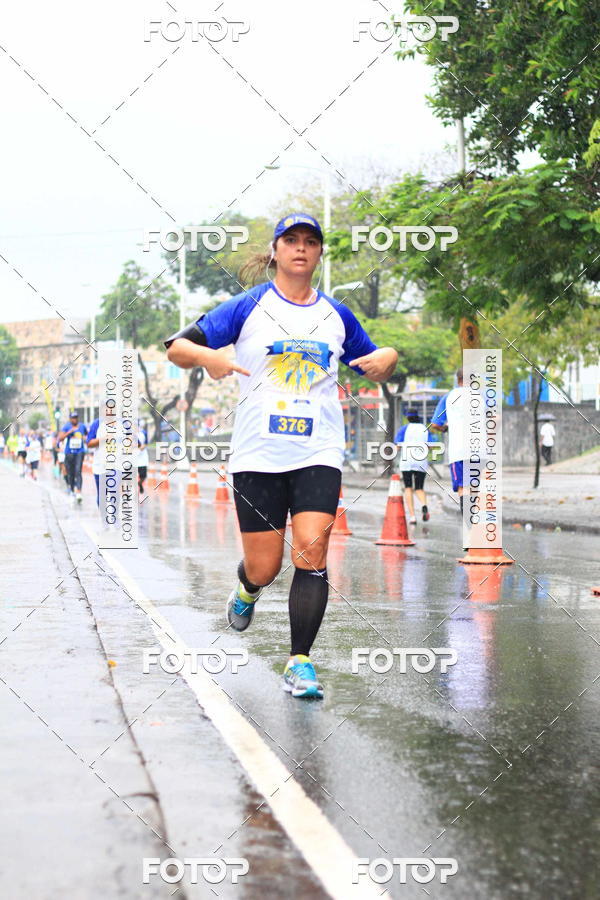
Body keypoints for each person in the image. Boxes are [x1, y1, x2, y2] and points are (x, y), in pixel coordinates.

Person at [165, 212, 398, 699]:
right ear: (274, 250)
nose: (300, 248)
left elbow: (372, 362)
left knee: (312, 552)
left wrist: (389, 357)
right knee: (266, 567)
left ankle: (299, 662)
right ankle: (247, 589)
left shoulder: (336, 315)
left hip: (318, 449)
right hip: (257, 455)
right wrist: (211, 357)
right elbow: (177, 347)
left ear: (318, 254)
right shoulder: (247, 306)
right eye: (290, 240)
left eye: (310, 241)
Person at [429, 369, 467, 514]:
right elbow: (495, 418)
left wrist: (445, 428)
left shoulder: (449, 397)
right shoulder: (480, 396)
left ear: (458, 379)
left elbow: (435, 424)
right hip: (479, 450)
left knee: (464, 486)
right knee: (474, 485)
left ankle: (469, 524)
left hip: (459, 450)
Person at [394, 408, 432, 523]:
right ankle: (424, 505)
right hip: (421, 462)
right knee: (419, 488)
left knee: (408, 488)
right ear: (417, 416)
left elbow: (397, 446)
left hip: (407, 462)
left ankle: (412, 516)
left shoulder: (404, 429)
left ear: (408, 417)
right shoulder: (424, 429)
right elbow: (430, 446)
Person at [58, 410, 87, 502]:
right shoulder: (66, 426)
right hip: (69, 452)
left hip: (79, 451)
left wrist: (85, 438)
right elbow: (60, 438)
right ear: (70, 419)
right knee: (70, 473)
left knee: (78, 471)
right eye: (73, 418)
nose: (75, 419)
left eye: (76, 417)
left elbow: (87, 435)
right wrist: (69, 432)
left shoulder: (82, 426)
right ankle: (72, 489)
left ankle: (78, 492)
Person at [136, 422, 149, 494]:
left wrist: (141, 447)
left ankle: (140, 483)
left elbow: (146, 443)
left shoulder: (143, 433)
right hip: (133, 457)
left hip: (142, 457)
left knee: (143, 476)